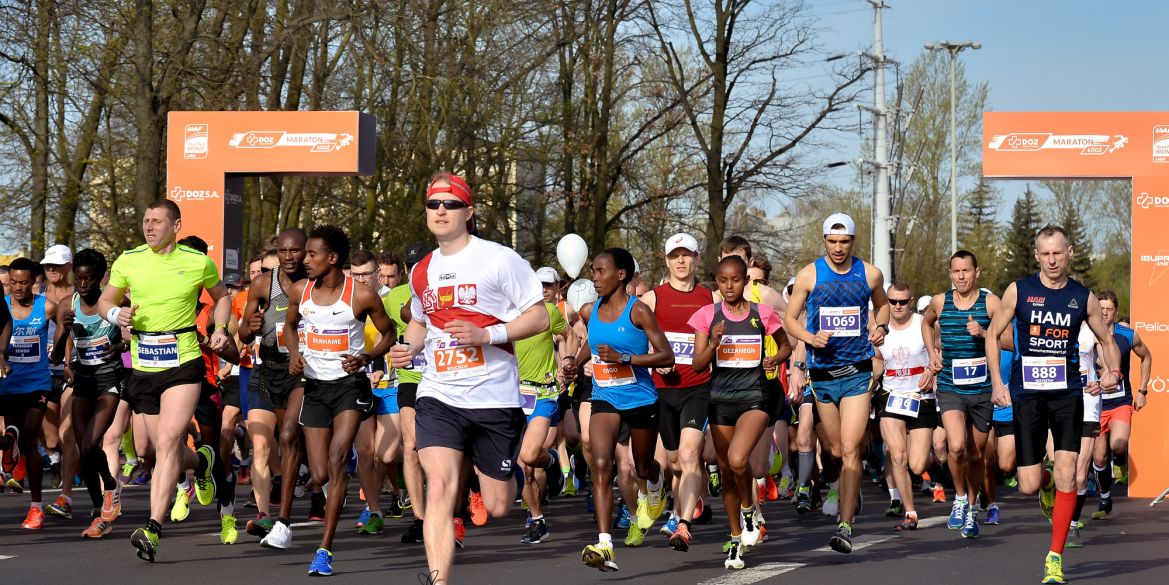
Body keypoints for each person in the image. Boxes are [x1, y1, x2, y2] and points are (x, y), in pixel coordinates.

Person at [388, 173, 548, 585]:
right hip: (439, 394)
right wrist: (409, 347)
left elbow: (539, 315)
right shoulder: (421, 272)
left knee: (497, 506)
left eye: (451, 204)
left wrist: (488, 334)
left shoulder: (499, 258)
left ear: (468, 213)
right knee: (438, 486)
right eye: (433, 204)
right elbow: (422, 325)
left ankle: (492, 477)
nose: (441, 210)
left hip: (494, 398)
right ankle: (438, 581)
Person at [97, 199, 233, 562]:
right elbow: (104, 301)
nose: (149, 226)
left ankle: (154, 527)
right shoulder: (129, 259)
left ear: (176, 225)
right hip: (143, 364)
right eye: (146, 220)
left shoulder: (196, 261)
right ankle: (202, 463)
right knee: (153, 449)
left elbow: (222, 297)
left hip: (183, 362)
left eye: (157, 221)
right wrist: (117, 313)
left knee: (170, 438)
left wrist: (220, 328)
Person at [985, 225, 1122, 585]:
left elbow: (1107, 340)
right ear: (1036, 256)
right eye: (1045, 254)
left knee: (1068, 473)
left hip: (1067, 395)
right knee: (1028, 483)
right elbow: (991, 334)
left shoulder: (1082, 297)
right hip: (1027, 394)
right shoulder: (1019, 290)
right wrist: (998, 383)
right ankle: (1043, 482)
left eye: (1057, 253)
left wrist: (1114, 371)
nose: (1051, 260)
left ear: (1069, 253)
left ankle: (1054, 558)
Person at [285, 226, 396, 576]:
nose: (305, 260)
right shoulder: (300, 291)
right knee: (319, 474)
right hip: (315, 388)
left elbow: (389, 332)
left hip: (350, 386)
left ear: (332, 258)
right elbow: (290, 327)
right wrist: (293, 354)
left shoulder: (360, 295)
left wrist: (366, 358)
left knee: (336, 458)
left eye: (312, 254)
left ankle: (325, 549)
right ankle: (337, 484)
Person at [783, 213, 889, 554]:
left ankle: (845, 525)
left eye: (845, 242)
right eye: (832, 241)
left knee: (849, 448)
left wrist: (881, 327)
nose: (838, 247)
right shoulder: (809, 274)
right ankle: (844, 484)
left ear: (853, 242)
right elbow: (789, 319)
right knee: (831, 451)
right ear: (825, 240)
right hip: (823, 375)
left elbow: (883, 306)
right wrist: (810, 339)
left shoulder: (870, 273)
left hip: (857, 373)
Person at [568, 247, 673, 573]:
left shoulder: (638, 311)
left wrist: (625, 358)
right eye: (593, 271)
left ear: (621, 275)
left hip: (641, 399)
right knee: (601, 464)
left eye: (601, 271)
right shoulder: (592, 309)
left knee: (642, 467)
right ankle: (604, 543)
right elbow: (592, 343)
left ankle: (656, 488)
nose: (595, 278)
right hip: (605, 397)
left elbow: (666, 356)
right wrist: (575, 363)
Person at [689, 255, 790, 569]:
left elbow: (786, 345)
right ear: (717, 282)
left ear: (745, 281)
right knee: (728, 476)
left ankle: (750, 511)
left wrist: (776, 359)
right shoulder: (707, 315)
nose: (729, 286)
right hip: (720, 400)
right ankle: (736, 540)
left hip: (755, 397)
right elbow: (697, 364)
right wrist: (714, 342)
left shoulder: (763, 313)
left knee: (737, 459)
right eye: (723, 280)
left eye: (735, 280)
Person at [237, 230, 316, 547]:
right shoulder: (262, 284)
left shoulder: (314, 283)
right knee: (261, 443)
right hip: (266, 370)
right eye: (283, 251)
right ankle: (264, 513)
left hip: (301, 371)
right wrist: (250, 327)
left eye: (295, 250)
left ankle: (313, 484)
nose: (289, 256)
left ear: (305, 252)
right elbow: (243, 331)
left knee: (292, 438)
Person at [639, 233, 716, 551]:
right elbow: (637, 341)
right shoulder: (653, 298)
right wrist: (656, 364)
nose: (681, 261)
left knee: (688, 455)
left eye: (687, 255)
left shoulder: (709, 298)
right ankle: (684, 497)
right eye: (675, 256)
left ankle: (682, 522)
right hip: (662, 391)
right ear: (666, 260)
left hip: (697, 387)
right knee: (672, 461)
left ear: (697, 259)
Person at [921, 251, 1001, 539]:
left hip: (981, 390)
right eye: (956, 271)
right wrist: (932, 354)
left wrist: (983, 333)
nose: (961, 276)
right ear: (950, 274)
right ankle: (958, 499)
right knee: (955, 447)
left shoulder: (991, 303)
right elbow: (926, 323)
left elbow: (1010, 339)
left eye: (966, 271)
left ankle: (971, 506)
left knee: (976, 455)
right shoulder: (940, 301)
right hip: (951, 385)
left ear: (976, 272)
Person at [50, 249, 127, 538]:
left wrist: (118, 347)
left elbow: (133, 340)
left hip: (109, 379)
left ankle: (110, 488)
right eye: (79, 279)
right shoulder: (66, 306)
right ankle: (100, 510)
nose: (83, 285)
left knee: (93, 441)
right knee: (83, 448)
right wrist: (64, 331)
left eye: (90, 279)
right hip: (82, 379)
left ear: (101, 278)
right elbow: (57, 358)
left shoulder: (116, 302)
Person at [515, 266, 577, 544]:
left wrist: (566, 362)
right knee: (524, 467)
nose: (539, 290)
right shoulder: (506, 314)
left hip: (543, 394)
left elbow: (571, 336)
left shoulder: (548, 313)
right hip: (513, 396)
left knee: (528, 457)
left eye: (545, 286)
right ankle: (536, 519)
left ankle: (551, 461)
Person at [0, 257, 57, 528]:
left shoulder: (46, 306)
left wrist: (65, 358)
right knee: (14, 430)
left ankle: (36, 508)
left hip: (37, 383)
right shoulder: (2, 307)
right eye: (13, 282)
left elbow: (67, 331)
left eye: (23, 282)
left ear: (34, 281)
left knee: (30, 438)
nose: (17, 288)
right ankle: (10, 443)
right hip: (8, 382)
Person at [349, 249, 403, 535]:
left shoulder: (391, 300)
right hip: (360, 385)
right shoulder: (346, 299)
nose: (362, 280)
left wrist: (381, 364)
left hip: (391, 385)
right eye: (356, 275)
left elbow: (395, 334)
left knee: (387, 453)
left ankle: (403, 482)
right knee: (366, 453)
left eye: (368, 274)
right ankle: (373, 509)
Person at [874, 282, 936, 532]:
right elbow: (878, 361)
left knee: (917, 465)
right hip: (890, 395)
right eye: (892, 302)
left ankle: (936, 458)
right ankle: (910, 512)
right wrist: (870, 381)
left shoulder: (924, 325)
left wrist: (931, 371)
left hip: (920, 398)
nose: (897, 306)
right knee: (897, 455)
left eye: (903, 302)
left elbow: (940, 353)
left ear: (911, 302)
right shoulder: (880, 330)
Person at [1092, 290, 1152, 519]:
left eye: (1109, 309)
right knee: (1098, 457)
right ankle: (1105, 497)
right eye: (1101, 309)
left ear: (1116, 311)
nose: (1104, 313)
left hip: (1120, 401)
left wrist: (1142, 390)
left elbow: (1146, 356)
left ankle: (1120, 459)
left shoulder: (1127, 335)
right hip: (1095, 405)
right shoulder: (1086, 334)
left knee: (1117, 444)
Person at [388, 242, 432, 544]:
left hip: (444, 376)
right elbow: (377, 331)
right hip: (410, 377)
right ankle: (420, 518)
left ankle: (461, 499)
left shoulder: (446, 289)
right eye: (411, 265)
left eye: (421, 265)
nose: (415, 270)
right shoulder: (392, 298)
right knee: (411, 445)